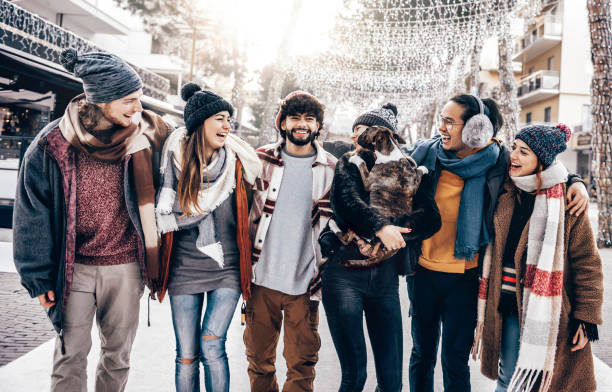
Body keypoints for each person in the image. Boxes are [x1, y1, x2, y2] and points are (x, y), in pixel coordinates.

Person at [405, 94, 589, 392]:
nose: (442, 127)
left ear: (475, 128)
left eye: (450, 121)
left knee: (454, 360)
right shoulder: (425, 154)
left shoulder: (498, 160)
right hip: (423, 273)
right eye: (442, 119)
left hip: (466, 278)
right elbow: (384, 161)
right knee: (422, 355)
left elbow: (541, 166)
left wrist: (575, 180)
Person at [12, 49, 171, 391]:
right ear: (102, 99)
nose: (138, 108)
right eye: (129, 100)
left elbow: (191, 157)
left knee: (118, 357)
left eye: (139, 99)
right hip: (74, 268)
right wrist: (38, 278)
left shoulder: (148, 136)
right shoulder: (52, 144)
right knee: (70, 356)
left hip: (127, 267)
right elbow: (31, 212)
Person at [473, 124, 603, 392]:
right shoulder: (506, 188)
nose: (515, 157)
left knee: (546, 384)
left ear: (542, 161)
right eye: (515, 149)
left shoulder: (566, 203)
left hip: (550, 312)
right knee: (510, 379)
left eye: (524, 152)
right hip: (507, 304)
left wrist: (587, 317)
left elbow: (587, 264)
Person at [320, 104, 441, 392]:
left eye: (361, 130)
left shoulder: (410, 170)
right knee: (354, 377)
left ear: (381, 134)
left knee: (391, 383)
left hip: (384, 280)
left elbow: (430, 218)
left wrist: (397, 233)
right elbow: (347, 203)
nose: (354, 137)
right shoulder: (348, 164)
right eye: (353, 131)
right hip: (344, 274)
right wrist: (380, 228)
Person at [155, 83, 261, 392]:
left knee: (212, 345)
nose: (227, 125)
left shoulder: (237, 166)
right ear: (200, 122)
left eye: (229, 118)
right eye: (219, 118)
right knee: (187, 356)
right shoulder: (172, 165)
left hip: (226, 268)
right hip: (183, 269)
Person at [244, 91, 336, 392]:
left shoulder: (332, 169)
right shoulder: (260, 160)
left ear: (318, 126)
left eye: (310, 119)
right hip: (261, 279)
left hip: (305, 284)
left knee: (302, 365)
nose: (302, 124)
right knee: (259, 362)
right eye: (295, 117)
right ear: (282, 122)